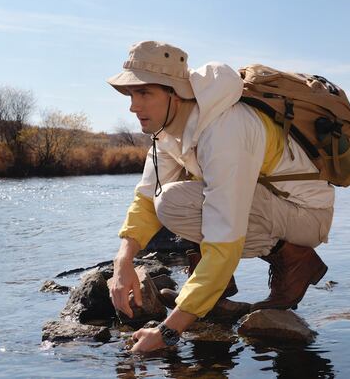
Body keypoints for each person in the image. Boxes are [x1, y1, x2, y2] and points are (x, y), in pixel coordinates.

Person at [106, 41, 335, 353]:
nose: (134, 106)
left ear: (174, 93)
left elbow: (224, 240)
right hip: (267, 204)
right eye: (131, 95)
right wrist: (123, 261)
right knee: (166, 199)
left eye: (144, 93)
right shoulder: (169, 128)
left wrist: (169, 331)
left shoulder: (226, 128)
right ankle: (212, 292)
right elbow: (146, 198)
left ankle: (294, 260)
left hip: (305, 214)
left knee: (176, 202)